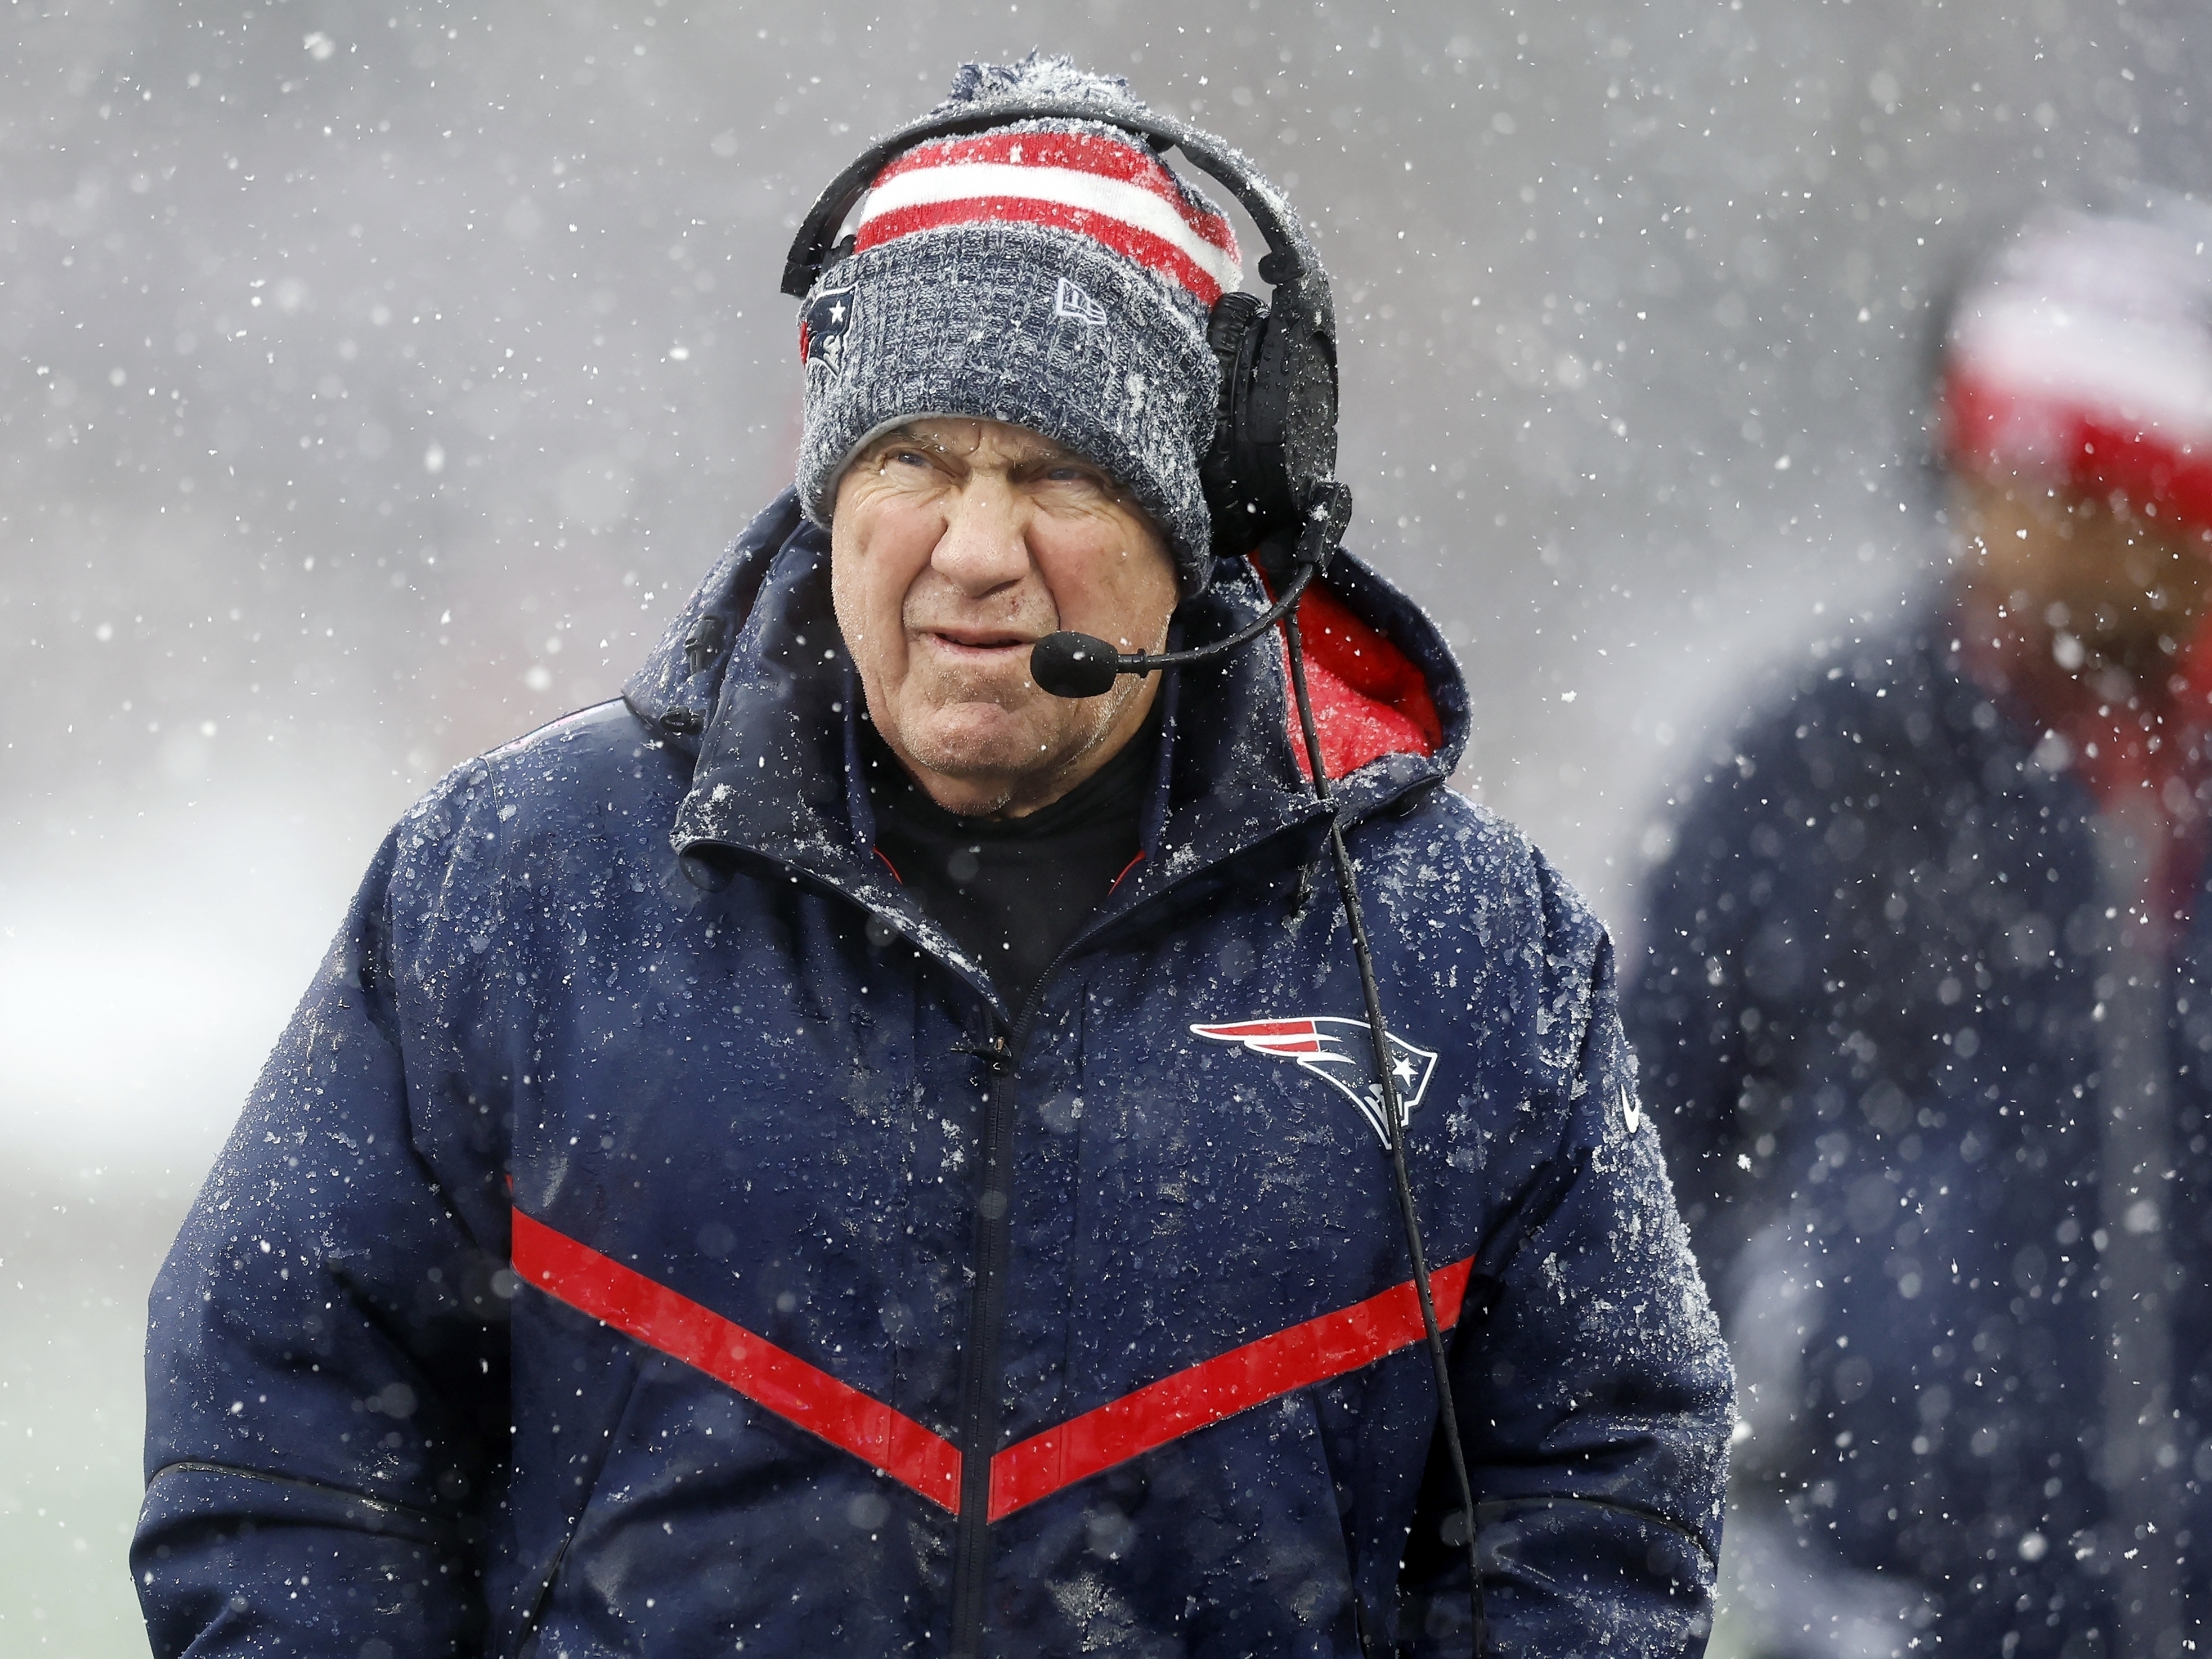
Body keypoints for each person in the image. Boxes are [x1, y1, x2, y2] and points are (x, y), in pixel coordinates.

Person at [134, 57, 1731, 1658]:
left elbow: (1603, 1484)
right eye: (915, 462)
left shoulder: (1472, 942)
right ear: (830, 491)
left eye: (1058, 473)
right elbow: (277, 1433)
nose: (976, 549)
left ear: (1200, 514)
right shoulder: (508, 888)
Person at [1630, 203, 2212, 1659]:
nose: (2024, 533)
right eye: (1996, 478)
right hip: (1887, 1606)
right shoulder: (1812, 772)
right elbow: (1637, 1183)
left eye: (2088, 493)